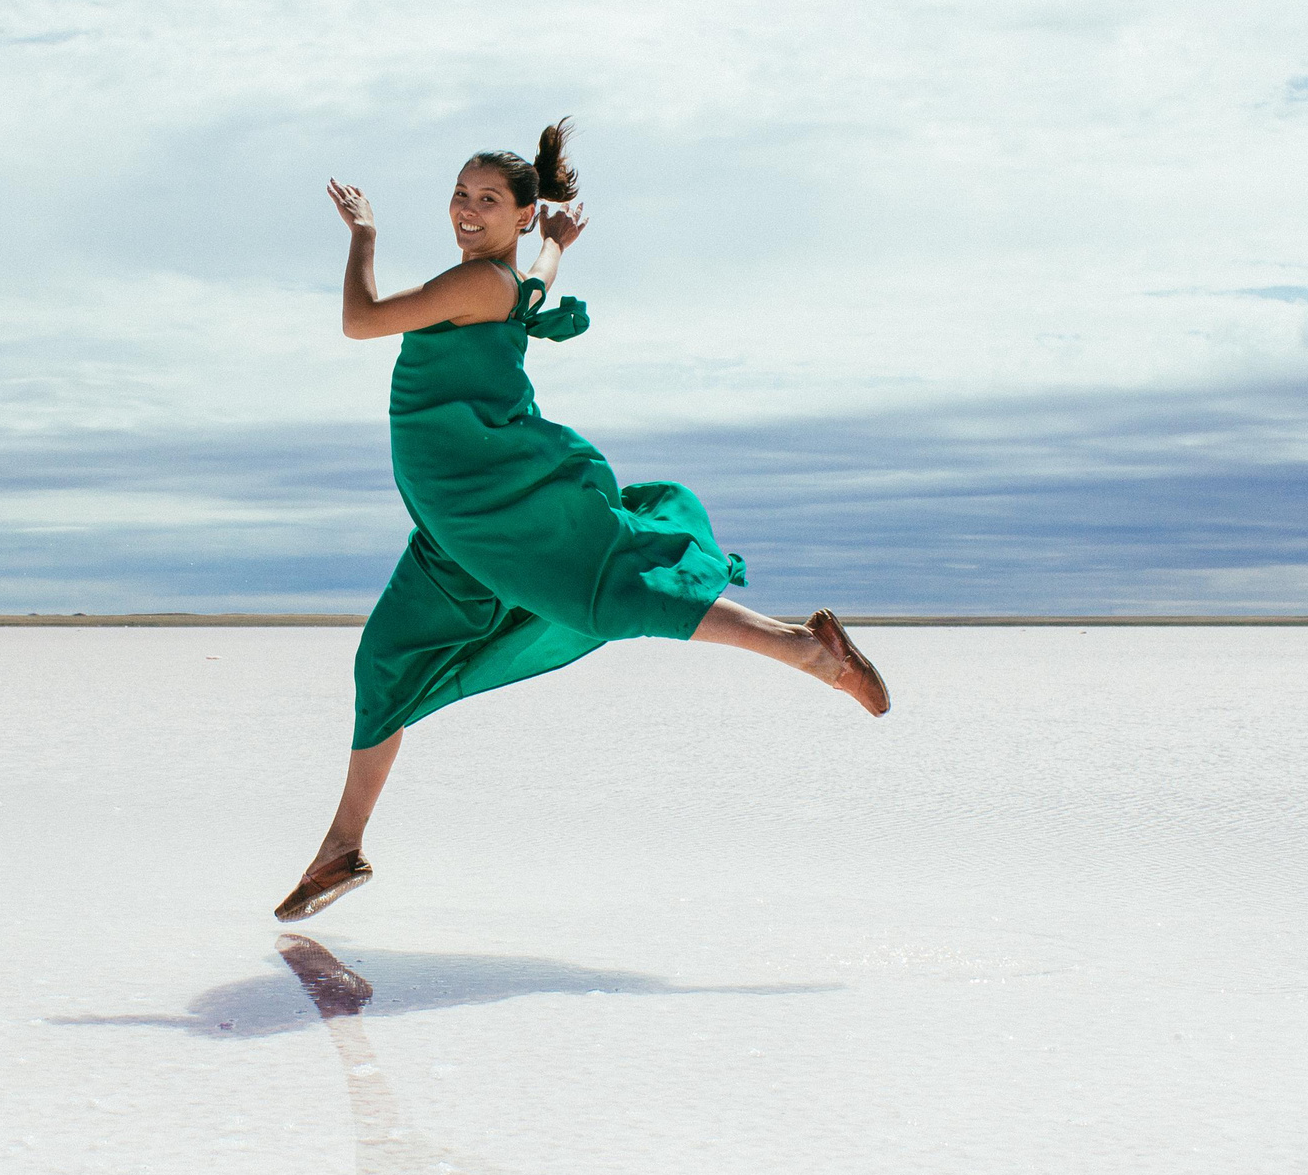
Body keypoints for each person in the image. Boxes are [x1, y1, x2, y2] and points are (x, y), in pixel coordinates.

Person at [275, 121, 890, 922]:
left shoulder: (476, 287)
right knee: (387, 660)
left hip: (490, 498)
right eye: (460, 195)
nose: (466, 209)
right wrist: (560, 243)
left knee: (609, 588)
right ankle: (340, 850)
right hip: (455, 520)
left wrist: (363, 236)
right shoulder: (503, 282)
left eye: (487, 200)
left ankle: (805, 652)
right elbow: (537, 283)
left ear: (518, 213)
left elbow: (362, 319)